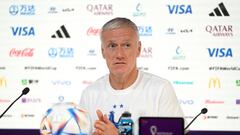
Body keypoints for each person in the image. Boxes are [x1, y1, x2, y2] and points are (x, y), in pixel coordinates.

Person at [79, 17, 185, 135]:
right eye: (112, 46)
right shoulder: (90, 94)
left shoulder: (161, 89)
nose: (119, 54)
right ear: (103, 51)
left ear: (138, 49)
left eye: (126, 45)